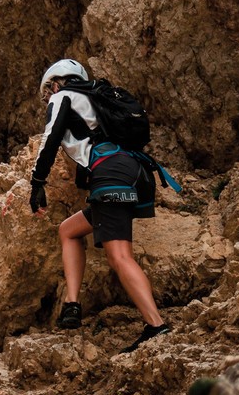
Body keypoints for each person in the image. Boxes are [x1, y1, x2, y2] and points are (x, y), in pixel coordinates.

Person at [29, 58, 170, 353]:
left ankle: (156, 326)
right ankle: (72, 305)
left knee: (119, 256)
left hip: (110, 174)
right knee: (69, 230)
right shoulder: (95, 100)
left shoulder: (63, 96)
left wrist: (37, 182)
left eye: (49, 89)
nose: (48, 95)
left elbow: (51, 138)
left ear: (56, 82)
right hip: (133, 173)